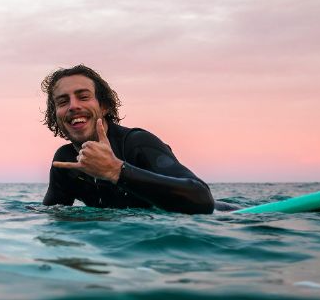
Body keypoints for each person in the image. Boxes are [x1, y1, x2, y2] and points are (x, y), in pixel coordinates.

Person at [40, 65, 215, 214]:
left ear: (104, 106)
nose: (73, 106)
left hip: (223, 217)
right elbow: (50, 212)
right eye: (62, 102)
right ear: (56, 116)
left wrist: (116, 171)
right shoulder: (65, 161)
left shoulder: (137, 143)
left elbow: (203, 199)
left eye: (84, 97)